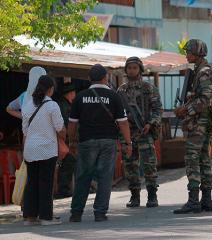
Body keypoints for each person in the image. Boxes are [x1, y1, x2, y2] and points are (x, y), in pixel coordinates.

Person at [68, 64, 132, 222]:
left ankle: (76, 213)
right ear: (105, 78)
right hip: (108, 142)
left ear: (89, 79)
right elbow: (123, 123)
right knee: (105, 177)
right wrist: (128, 143)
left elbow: (72, 123)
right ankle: (100, 213)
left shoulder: (80, 96)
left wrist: (72, 141)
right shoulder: (114, 96)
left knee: (83, 177)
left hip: (86, 141)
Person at [173, 39, 212, 214]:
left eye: (189, 52)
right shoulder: (201, 69)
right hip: (203, 121)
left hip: (200, 122)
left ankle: (194, 201)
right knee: (203, 159)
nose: (186, 55)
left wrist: (186, 109)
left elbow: (207, 98)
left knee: (192, 159)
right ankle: (206, 200)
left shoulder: (204, 71)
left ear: (197, 53)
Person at [117, 57, 162, 208]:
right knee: (130, 165)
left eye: (135, 68)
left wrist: (150, 123)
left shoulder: (148, 88)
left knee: (149, 164)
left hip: (144, 132)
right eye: (129, 68)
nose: (131, 70)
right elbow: (117, 112)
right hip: (128, 133)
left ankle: (152, 195)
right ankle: (134, 196)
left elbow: (157, 110)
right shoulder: (121, 90)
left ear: (140, 69)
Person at [22, 75, 65, 226]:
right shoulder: (52, 106)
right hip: (47, 149)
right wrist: (63, 136)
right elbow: (60, 129)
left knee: (31, 182)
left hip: (30, 150)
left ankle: (30, 217)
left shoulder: (27, 106)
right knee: (46, 183)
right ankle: (46, 217)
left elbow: (25, 132)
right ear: (50, 89)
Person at [55, 82, 77, 199]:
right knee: (68, 162)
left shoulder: (64, 104)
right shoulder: (64, 105)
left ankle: (65, 188)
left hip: (64, 139)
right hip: (63, 139)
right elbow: (65, 123)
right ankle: (63, 189)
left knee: (68, 163)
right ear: (70, 93)